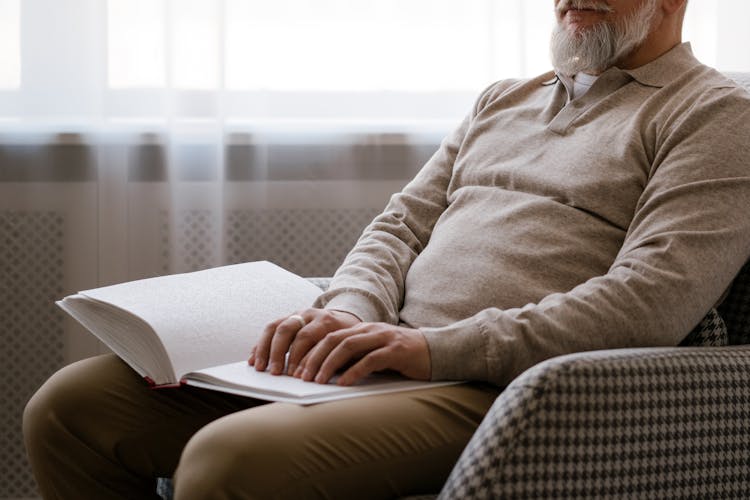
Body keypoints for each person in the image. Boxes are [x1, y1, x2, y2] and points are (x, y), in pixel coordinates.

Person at [23, 0, 750, 498]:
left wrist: (432, 350)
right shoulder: (504, 97)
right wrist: (348, 311)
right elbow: (399, 226)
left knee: (230, 461)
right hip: (386, 359)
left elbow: (651, 301)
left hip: (502, 390)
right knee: (73, 406)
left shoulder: (713, 115)